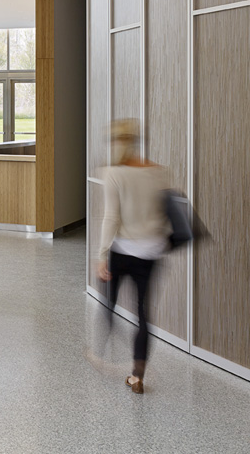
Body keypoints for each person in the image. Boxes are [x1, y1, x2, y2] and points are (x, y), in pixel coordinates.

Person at [96, 119, 169, 394]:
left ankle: (103, 350)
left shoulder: (114, 173)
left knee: (110, 301)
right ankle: (138, 376)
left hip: (123, 250)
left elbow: (111, 217)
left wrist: (101, 255)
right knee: (143, 313)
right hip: (151, 251)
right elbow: (164, 214)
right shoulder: (158, 172)